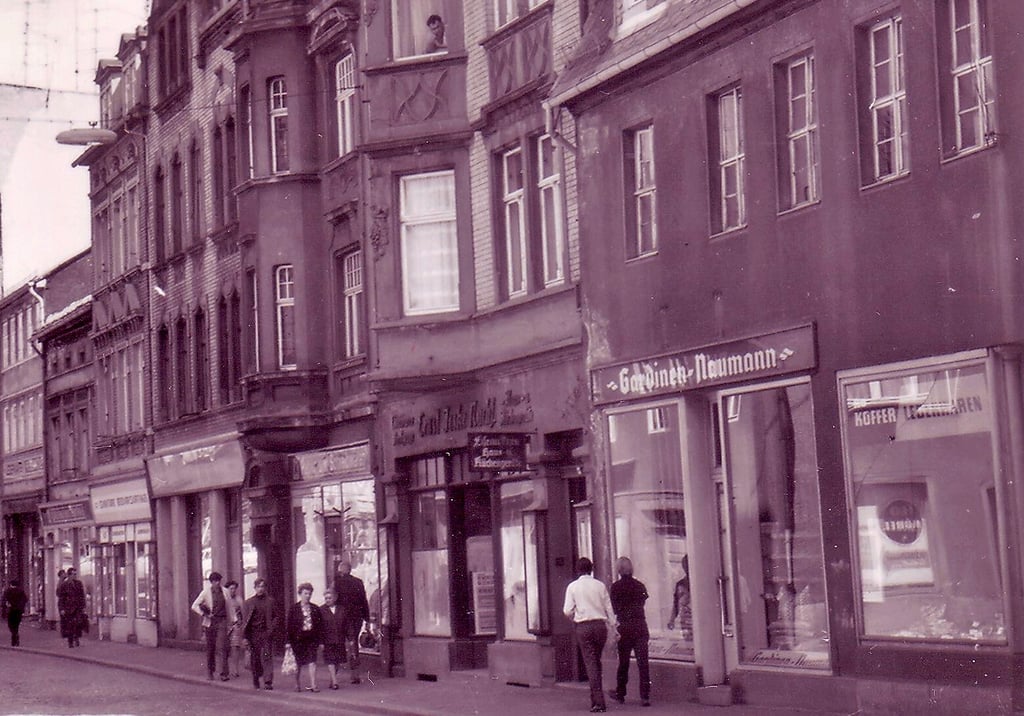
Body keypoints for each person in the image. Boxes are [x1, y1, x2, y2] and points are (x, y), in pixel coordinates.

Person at [563, 557, 616, 713]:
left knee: (590, 662)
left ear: (578, 570)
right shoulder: (600, 585)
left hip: (584, 627)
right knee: (596, 660)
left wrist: (575, 617)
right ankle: (595, 698)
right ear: (591, 569)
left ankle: (598, 702)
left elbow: (567, 610)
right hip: (600, 626)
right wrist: (613, 626)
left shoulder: (573, 587)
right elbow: (609, 608)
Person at [608, 557, 651, 707]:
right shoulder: (640, 586)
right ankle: (645, 696)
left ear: (619, 570)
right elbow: (643, 602)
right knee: (643, 663)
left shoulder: (615, 587)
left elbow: (614, 608)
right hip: (640, 626)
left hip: (625, 627)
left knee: (623, 662)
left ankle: (621, 693)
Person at [333, 559, 370, 684]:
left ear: (341, 570)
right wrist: (367, 618)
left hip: (341, 618)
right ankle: (355, 675)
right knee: (353, 644)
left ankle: (334, 675)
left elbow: (333, 600)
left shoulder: (337, 583)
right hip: (356, 618)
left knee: (337, 644)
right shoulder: (358, 582)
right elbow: (364, 601)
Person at [191, 571, 231, 681]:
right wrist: (204, 614)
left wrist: (233, 620)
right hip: (210, 622)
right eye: (215, 581)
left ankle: (224, 673)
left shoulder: (225, 591)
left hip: (222, 620)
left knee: (222, 647)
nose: (217, 583)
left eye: (219, 581)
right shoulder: (206, 592)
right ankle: (210, 671)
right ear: (211, 582)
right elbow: (194, 605)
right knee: (211, 647)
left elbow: (229, 607)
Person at [286, 582, 324, 692]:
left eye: (309, 594)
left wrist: (320, 641)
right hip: (298, 638)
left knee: (312, 661)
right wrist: (288, 642)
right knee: (298, 662)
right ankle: (297, 683)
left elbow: (320, 626)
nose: (308, 596)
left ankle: (313, 684)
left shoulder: (315, 608)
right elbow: (289, 626)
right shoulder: (294, 609)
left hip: (311, 638)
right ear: (300, 594)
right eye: (305, 593)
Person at [241, 577, 279, 690]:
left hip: (266, 633)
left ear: (265, 588)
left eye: (262, 586)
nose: (260, 589)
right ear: (255, 588)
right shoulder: (249, 602)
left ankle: (268, 681)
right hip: (253, 633)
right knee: (255, 658)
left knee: (267, 656)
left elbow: (276, 616)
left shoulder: (270, 601)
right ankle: (256, 678)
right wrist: (245, 637)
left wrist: (272, 628)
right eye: (258, 587)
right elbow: (245, 621)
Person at [319, 588, 345, 689]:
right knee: (330, 660)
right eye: (326, 598)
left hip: (339, 638)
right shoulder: (321, 610)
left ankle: (332, 678)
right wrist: (321, 642)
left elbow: (346, 624)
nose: (327, 600)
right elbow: (319, 627)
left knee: (337, 661)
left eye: (329, 598)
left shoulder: (341, 609)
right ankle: (334, 681)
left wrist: (350, 638)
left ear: (335, 598)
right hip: (327, 639)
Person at [57, 567, 87, 648]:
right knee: (70, 625)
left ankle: (76, 638)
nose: (75, 576)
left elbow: (81, 596)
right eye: (73, 574)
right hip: (68, 608)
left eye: (75, 574)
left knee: (77, 624)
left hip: (77, 607)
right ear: (69, 575)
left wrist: (83, 606)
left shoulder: (79, 583)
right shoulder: (64, 585)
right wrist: (61, 609)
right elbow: (61, 598)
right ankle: (70, 641)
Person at [666, 556, 693, 642]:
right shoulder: (680, 584)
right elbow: (676, 603)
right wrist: (672, 620)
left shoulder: (699, 582)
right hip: (685, 616)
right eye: (684, 566)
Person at [225, 579, 246, 678]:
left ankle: (235, 669)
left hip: (236, 626)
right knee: (224, 648)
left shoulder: (239, 600)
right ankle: (225, 669)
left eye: (234, 589)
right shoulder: (224, 599)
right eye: (231, 589)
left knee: (235, 647)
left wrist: (242, 625)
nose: (233, 591)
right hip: (225, 626)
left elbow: (243, 613)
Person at [1, 579, 28, 646]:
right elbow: (25, 599)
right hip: (18, 610)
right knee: (16, 624)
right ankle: (15, 635)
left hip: (10, 610)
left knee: (10, 624)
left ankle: (14, 636)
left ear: (11, 584)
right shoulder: (21, 591)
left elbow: (3, 600)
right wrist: (21, 606)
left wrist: (5, 605)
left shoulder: (8, 591)